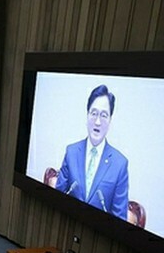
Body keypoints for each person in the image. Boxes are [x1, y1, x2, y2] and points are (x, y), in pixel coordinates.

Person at [54, 85, 128, 220]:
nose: (98, 122)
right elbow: (56, 199)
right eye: (94, 113)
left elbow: (119, 220)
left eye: (104, 115)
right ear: (87, 116)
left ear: (110, 120)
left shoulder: (120, 164)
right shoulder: (71, 152)